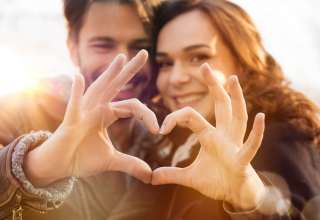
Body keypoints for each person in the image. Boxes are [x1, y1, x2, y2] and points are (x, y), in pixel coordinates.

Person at [120, 0, 320, 219]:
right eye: (166, 63)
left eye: (199, 57)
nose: (176, 78)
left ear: (243, 62)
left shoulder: (277, 137)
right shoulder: (169, 147)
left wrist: (250, 200)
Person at [0, 0, 159, 219]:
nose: (122, 61)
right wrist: (34, 168)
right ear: (73, 48)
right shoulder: (16, 110)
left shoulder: (165, 135)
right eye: (103, 45)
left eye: (140, 47)